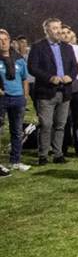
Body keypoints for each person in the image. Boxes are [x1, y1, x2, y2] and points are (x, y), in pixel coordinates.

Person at [28, 18, 78, 165]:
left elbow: (74, 67)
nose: (58, 31)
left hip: (65, 92)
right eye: (54, 28)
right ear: (46, 31)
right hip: (46, 92)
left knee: (60, 125)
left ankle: (58, 154)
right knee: (46, 125)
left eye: (59, 27)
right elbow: (32, 67)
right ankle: (43, 155)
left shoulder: (67, 47)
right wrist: (50, 78)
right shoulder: (38, 47)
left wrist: (71, 76)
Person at [0, 29, 31, 171]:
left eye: (5, 39)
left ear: (10, 41)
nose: (3, 43)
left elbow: (25, 79)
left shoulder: (18, 59)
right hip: (2, 98)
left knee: (17, 131)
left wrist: (25, 96)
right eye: (0, 40)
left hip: (18, 98)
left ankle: (15, 161)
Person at [60, 26, 78, 157]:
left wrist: (71, 71)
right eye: (63, 33)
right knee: (63, 118)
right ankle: (63, 147)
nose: (65, 35)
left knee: (76, 118)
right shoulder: (56, 49)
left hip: (76, 85)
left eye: (68, 32)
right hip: (61, 86)